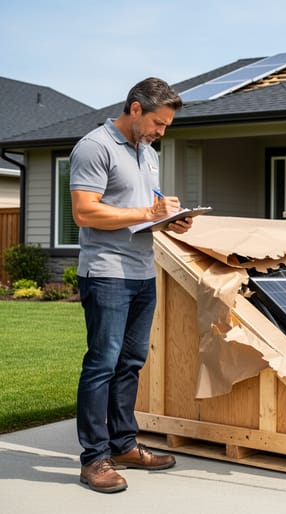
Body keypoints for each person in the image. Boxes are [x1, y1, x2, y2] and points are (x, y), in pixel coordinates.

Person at [70, 77, 191, 493]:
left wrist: (170, 218)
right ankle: (94, 459)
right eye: (158, 123)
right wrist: (147, 210)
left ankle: (123, 445)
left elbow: (142, 213)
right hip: (106, 273)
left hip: (142, 271)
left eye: (166, 126)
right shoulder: (95, 147)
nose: (161, 132)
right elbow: (85, 213)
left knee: (131, 363)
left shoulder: (149, 153)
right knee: (102, 364)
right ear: (135, 109)